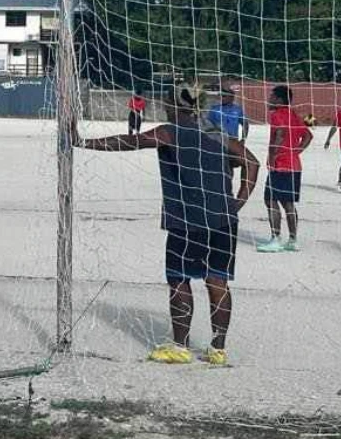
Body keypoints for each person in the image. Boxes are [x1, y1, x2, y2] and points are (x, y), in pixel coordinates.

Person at [76, 84, 259, 366]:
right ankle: (218, 349)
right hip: (223, 220)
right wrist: (238, 202)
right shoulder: (214, 131)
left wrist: (83, 142)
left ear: (171, 105)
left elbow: (130, 141)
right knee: (218, 281)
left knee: (179, 279)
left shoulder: (169, 132)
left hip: (186, 220)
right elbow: (251, 161)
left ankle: (180, 347)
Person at [257, 85, 312, 253]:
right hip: (294, 165)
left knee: (270, 199)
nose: (269, 99)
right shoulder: (293, 115)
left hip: (280, 166)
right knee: (288, 203)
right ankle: (293, 240)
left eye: (271, 97)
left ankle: (275, 239)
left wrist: (273, 157)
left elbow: (280, 134)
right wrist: (296, 152)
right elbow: (308, 136)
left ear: (279, 100)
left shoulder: (277, 114)